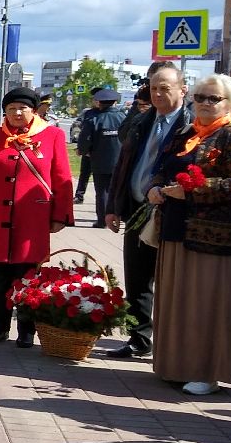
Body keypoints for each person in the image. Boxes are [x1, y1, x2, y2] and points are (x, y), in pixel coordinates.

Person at [146, 74, 231, 395]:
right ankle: (176, 365)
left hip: (214, 238)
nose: (204, 103)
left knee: (207, 306)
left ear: (229, 103)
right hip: (175, 230)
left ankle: (208, 372)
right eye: (200, 97)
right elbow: (162, 168)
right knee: (177, 302)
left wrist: (192, 189)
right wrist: (156, 188)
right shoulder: (187, 133)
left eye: (213, 99)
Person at [0, 86, 74, 347]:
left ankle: (26, 330)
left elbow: (62, 178)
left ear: (34, 111)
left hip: (33, 219)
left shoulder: (53, 136)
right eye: (11, 109)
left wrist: (61, 214)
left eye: (22, 108)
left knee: (28, 276)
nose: (16, 113)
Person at [105, 65, 185, 360]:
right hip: (137, 209)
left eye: (165, 88)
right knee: (137, 276)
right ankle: (139, 338)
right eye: (154, 88)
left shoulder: (191, 125)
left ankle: (173, 342)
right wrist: (113, 207)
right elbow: (122, 166)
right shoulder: (143, 120)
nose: (159, 94)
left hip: (172, 211)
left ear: (182, 90)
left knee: (172, 278)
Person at [76, 87, 126, 227]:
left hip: (100, 160)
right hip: (121, 161)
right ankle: (117, 217)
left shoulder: (94, 119)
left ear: (99, 102)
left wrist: (83, 150)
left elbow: (85, 139)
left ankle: (103, 220)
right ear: (115, 101)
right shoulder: (123, 117)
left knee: (102, 191)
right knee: (117, 190)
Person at [73, 88, 101, 204]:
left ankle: (101, 199)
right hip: (88, 151)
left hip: (101, 152)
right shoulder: (88, 113)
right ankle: (79, 196)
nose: (95, 102)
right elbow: (77, 125)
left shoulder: (108, 113)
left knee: (100, 178)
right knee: (84, 174)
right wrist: (78, 140)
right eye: (93, 99)